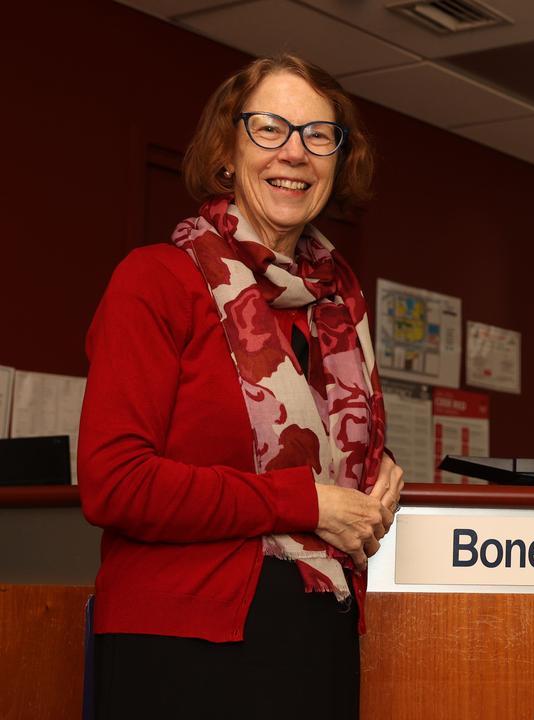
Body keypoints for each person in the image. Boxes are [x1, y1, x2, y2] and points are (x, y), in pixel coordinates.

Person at [79, 54, 404, 719]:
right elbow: (115, 483)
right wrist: (305, 505)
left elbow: (330, 465)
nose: (296, 152)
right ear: (227, 151)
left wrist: (378, 478)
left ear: (338, 162)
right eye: (270, 129)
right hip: (183, 644)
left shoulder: (339, 304)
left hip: (318, 630)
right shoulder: (156, 281)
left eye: (319, 135)